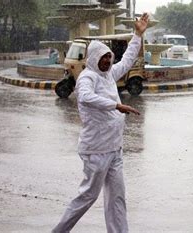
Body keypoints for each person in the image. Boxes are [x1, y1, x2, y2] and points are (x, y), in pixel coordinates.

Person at [52, 13, 149, 233]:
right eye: (103, 58)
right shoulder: (88, 77)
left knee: (117, 198)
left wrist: (137, 34)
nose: (108, 61)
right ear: (94, 58)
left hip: (114, 149)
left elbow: (127, 60)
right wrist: (116, 106)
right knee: (88, 196)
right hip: (96, 151)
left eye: (109, 57)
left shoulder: (109, 75)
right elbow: (85, 97)